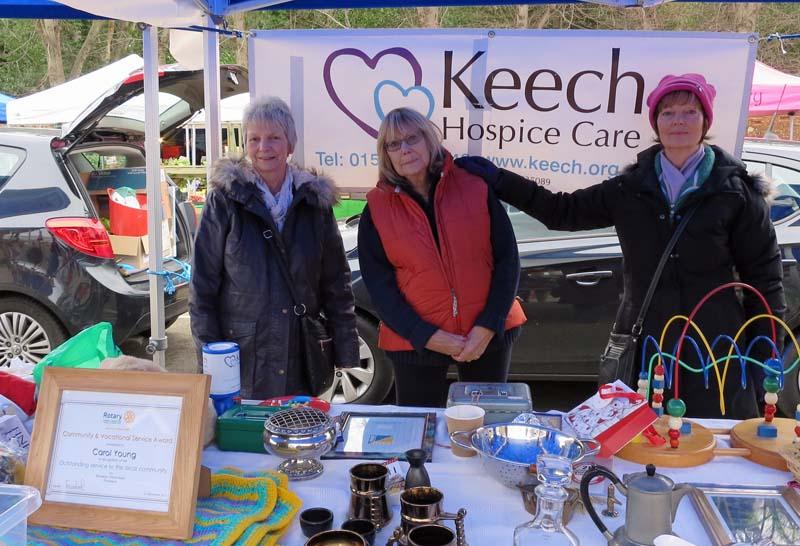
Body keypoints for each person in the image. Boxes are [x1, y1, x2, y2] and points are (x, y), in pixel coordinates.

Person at [456, 74, 785, 419]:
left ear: (706, 121)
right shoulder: (631, 188)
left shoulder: (735, 192)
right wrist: (500, 180)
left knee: (709, 444)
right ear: (656, 123)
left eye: (690, 112)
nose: (678, 121)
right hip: (647, 345)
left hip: (715, 350)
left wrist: (765, 353)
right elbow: (562, 211)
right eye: (668, 112)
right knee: (641, 439)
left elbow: (764, 279)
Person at [190, 97, 358, 399]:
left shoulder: (314, 203)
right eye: (254, 139)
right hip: (242, 357)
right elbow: (202, 286)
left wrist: (345, 350)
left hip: (301, 356)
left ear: (290, 144)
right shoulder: (225, 200)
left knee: (296, 439)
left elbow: (336, 283)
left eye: (274, 138)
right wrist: (211, 357)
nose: (263, 147)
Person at [358, 107, 526, 407]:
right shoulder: (377, 208)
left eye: (412, 138)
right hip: (416, 342)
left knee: (482, 428)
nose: (405, 149)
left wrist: (488, 326)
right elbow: (380, 288)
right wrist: (426, 336)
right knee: (419, 435)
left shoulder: (474, 185)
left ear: (429, 140)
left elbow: (507, 260)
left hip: (485, 336)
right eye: (393, 144)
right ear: (386, 154)